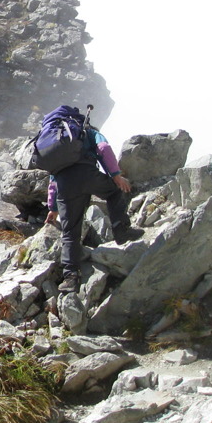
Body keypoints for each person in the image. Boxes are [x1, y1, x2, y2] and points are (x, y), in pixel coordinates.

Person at [43, 108, 143, 293]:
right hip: (87, 174)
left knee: (70, 232)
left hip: (64, 184)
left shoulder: (58, 145)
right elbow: (103, 149)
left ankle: (70, 278)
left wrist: (53, 207)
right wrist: (116, 175)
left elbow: (53, 179)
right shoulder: (88, 132)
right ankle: (121, 230)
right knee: (113, 193)